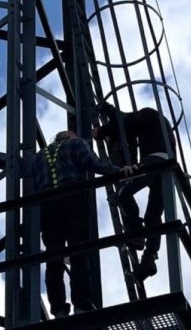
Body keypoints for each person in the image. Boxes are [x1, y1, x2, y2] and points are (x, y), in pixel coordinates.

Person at [29, 130, 132, 318]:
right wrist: (119, 170)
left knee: (54, 258)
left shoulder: (39, 156)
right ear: (70, 136)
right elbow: (93, 163)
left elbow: (34, 185)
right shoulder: (76, 144)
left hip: (48, 206)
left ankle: (59, 310)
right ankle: (82, 306)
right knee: (78, 254)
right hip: (73, 199)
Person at [94, 102, 177, 281]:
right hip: (167, 169)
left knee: (122, 194)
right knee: (153, 218)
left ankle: (136, 234)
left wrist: (101, 132)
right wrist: (109, 110)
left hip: (154, 161)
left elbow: (126, 122)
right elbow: (125, 119)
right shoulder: (158, 122)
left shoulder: (147, 114)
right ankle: (149, 259)